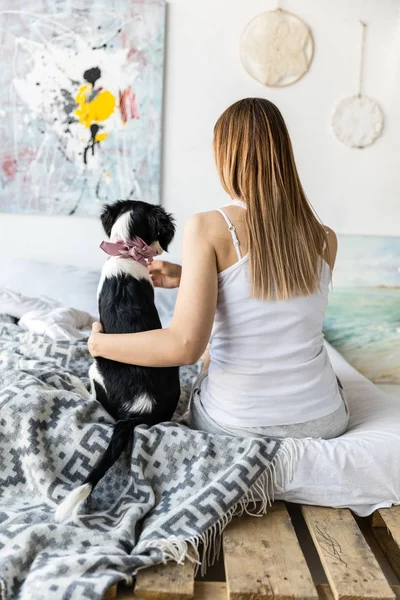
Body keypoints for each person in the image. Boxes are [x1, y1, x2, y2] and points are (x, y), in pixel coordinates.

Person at [88, 97, 348, 440]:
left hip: (237, 421)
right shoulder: (325, 238)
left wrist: (98, 345)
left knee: (208, 354)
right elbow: (278, 298)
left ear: (226, 157)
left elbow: (183, 347)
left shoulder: (209, 226)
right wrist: (188, 276)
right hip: (324, 419)